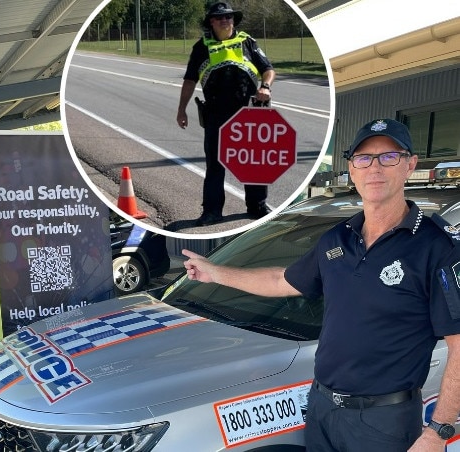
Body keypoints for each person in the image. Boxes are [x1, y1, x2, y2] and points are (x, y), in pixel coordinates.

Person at [182, 118, 460, 451]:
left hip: (385, 421)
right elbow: (281, 280)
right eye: (364, 158)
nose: (375, 167)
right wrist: (215, 273)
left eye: (389, 157)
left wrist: (438, 431)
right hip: (322, 409)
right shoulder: (337, 239)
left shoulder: (436, 248)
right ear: (352, 169)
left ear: (409, 165)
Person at [176, 2, 276, 226]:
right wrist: (181, 109)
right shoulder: (202, 46)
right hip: (216, 113)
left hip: (249, 112)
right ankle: (211, 211)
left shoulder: (247, 42)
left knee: (254, 161)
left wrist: (265, 86)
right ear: (211, 21)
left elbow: (268, 69)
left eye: (229, 17)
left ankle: (257, 205)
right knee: (215, 164)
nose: (225, 21)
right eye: (220, 17)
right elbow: (190, 80)